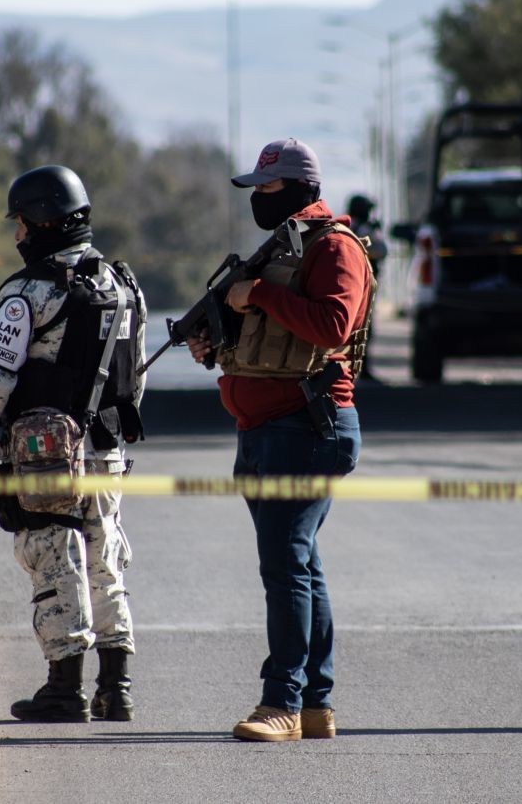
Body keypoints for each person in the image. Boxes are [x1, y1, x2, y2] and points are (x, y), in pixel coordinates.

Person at [187, 138, 375, 742]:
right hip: (262, 429)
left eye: (267, 190)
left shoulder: (335, 249)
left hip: (307, 426)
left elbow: (333, 324)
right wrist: (216, 342)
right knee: (300, 565)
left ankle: (283, 702)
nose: (259, 201)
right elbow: (264, 334)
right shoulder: (279, 250)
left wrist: (259, 294)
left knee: (285, 565)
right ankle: (317, 705)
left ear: (299, 189)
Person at [0, 164, 146, 723]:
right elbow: (132, 379)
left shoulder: (25, 293)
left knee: (55, 563)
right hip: (105, 449)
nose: (17, 237)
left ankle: (64, 689)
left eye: (21, 225)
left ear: (41, 222)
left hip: (43, 456)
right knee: (104, 557)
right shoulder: (124, 284)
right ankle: (117, 687)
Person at [346, 194, 387, 383]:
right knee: (359, 328)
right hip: (358, 285)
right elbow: (380, 250)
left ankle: (360, 367)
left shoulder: (351, 226)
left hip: (358, 285)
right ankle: (354, 367)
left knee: (362, 328)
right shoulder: (358, 228)